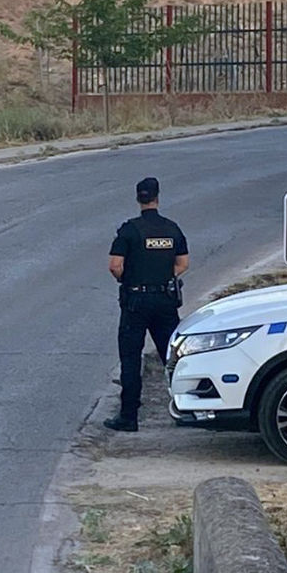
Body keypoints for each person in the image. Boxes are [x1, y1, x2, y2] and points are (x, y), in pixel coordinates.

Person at [105, 177, 189, 432]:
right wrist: (162, 276)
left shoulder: (129, 230)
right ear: (157, 197)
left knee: (131, 358)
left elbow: (114, 266)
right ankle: (186, 410)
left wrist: (130, 278)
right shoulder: (172, 229)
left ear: (138, 199)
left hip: (136, 301)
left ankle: (129, 417)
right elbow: (183, 263)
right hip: (164, 300)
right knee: (172, 357)